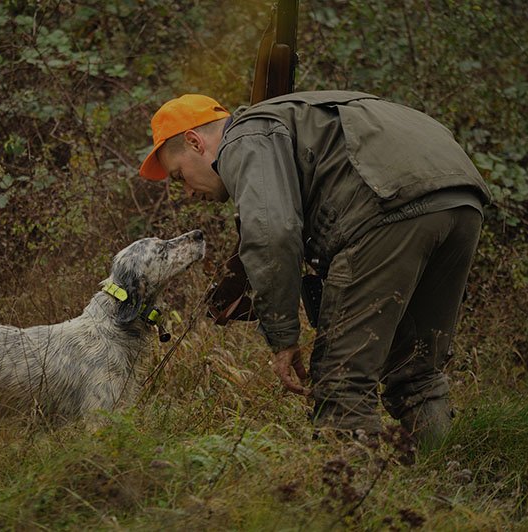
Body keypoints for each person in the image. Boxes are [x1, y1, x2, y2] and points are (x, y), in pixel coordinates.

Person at [139, 91, 490, 447]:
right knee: (416, 369)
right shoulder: (296, 115)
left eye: (179, 176)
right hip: (462, 198)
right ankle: (440, 478)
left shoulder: (244, 136)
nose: (186, 192)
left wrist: (283, 336)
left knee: (343, 375)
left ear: (195, 142)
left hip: (387, 209)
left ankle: (348, 492)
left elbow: (272, 233)